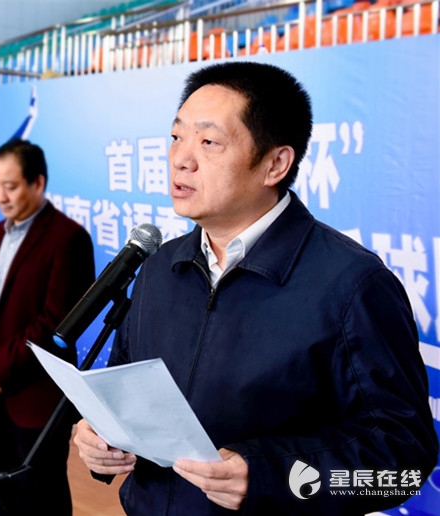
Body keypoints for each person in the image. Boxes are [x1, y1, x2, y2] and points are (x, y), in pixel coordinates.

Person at [73, 62, 439, 515]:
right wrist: (102, 440)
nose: (181, 158)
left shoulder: (352, 285)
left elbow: (402, 456)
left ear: (275, 164)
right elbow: (124, 395)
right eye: (176, 137)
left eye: (208, 142)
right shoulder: (159, 268)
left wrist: (271, 477)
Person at [0, 138, 95, 516]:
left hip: (34, 394)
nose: (1, 197)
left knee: (38, 498)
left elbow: (55, 324)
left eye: (11, 186)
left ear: (38, 183)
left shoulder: (68, 238)